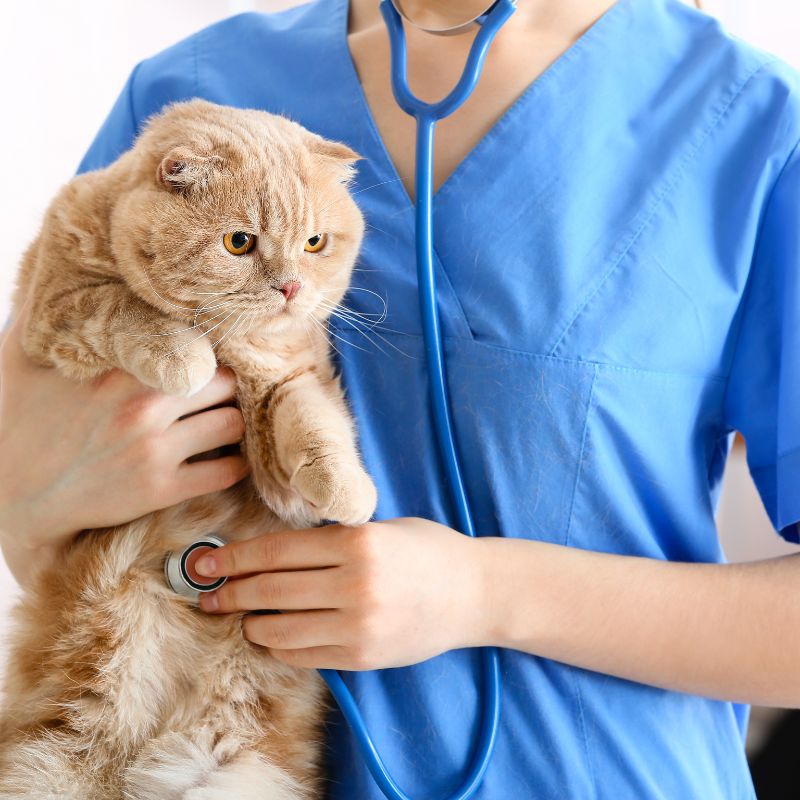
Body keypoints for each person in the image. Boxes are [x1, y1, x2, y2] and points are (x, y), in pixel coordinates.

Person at [1, 0, 799, 796]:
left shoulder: (749, 121)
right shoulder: (193, 91)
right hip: (201, 757)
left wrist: (485, 594)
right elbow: (35, 484)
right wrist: (42, 502)